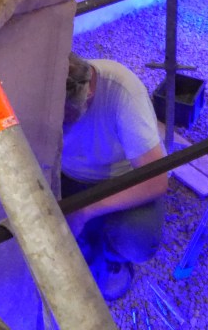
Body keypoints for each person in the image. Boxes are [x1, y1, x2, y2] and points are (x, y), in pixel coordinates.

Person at [61, 53, 168, 301]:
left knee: (137, 240)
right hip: (67, 174)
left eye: (66, 118)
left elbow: (157, 180)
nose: (61, 126)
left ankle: (111, 256)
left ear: (88, 95)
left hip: (121, 180)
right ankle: (85, 248)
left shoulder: (123, 91)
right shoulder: (43, 89)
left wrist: (84, 211)